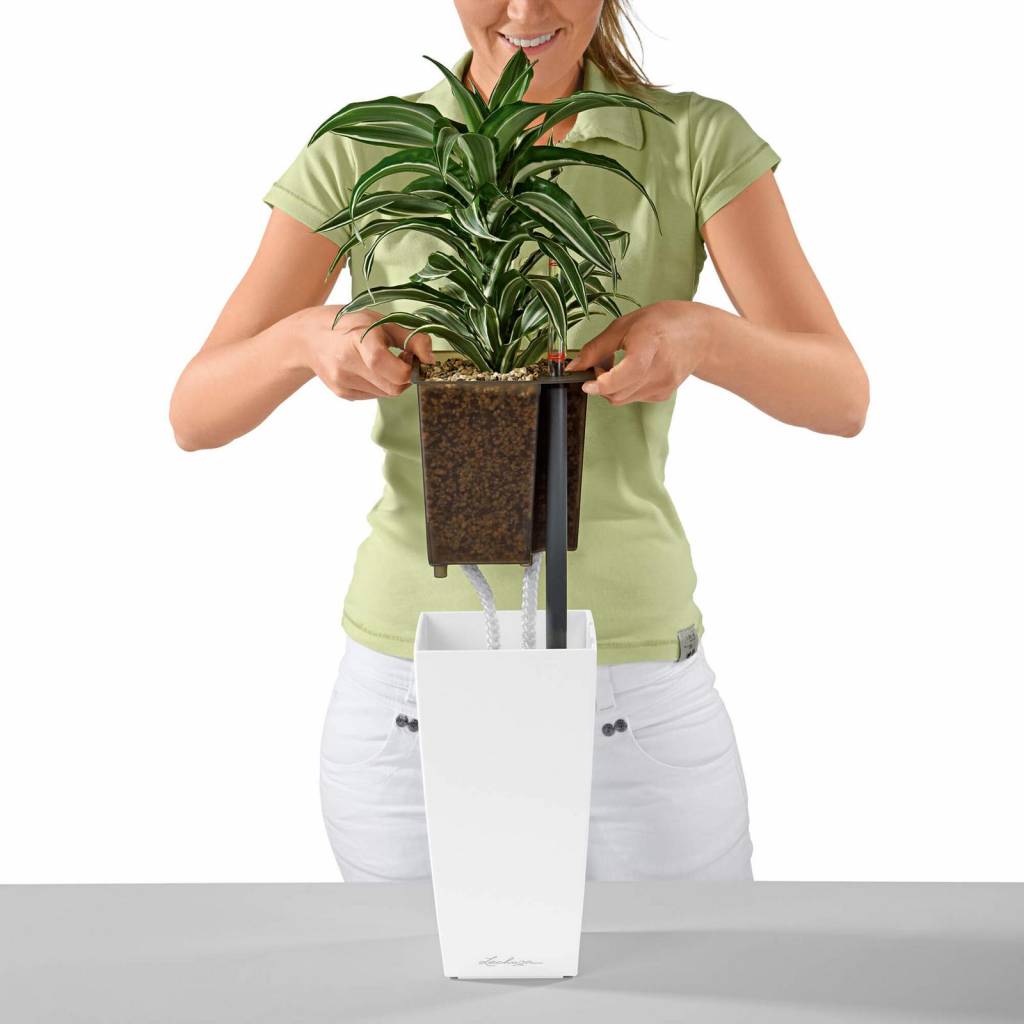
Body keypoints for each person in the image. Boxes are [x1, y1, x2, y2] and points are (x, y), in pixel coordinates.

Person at [169, 0, 869, 882]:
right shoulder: (365, 147)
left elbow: (842, 396)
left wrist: (703, 336)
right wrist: (307, 340)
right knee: (418, 972)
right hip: (408, 691)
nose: (526, 9)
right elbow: (196, 413)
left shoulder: (692, 140)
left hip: (632, 686)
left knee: (687, 965)